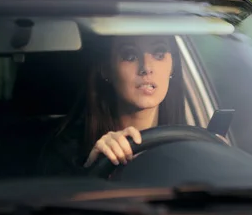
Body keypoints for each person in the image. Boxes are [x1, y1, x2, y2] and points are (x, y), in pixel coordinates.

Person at [37, 34, 186, 176]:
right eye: (130, 56)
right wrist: (91, 169)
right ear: (106, 70)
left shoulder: (190, 147)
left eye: (159, 54)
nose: (146, 67)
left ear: (172, 66)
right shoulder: (67, 152)